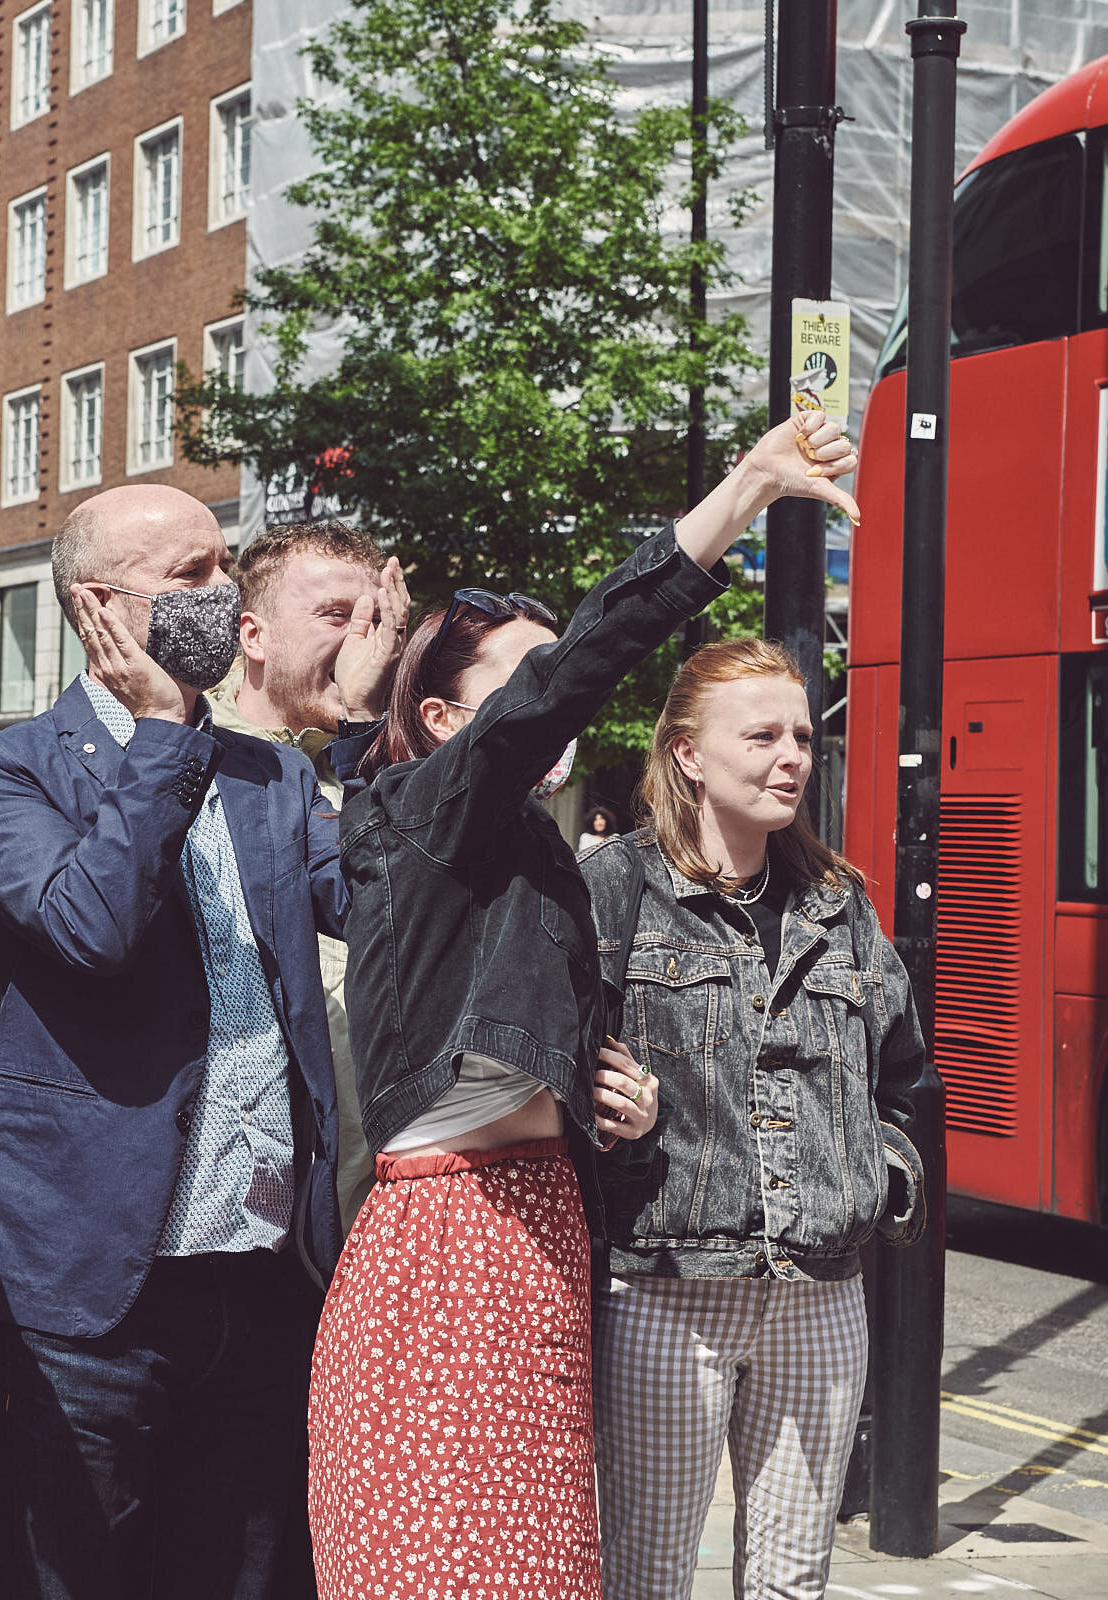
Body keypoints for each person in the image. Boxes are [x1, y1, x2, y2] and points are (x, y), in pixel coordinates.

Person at [308, 409, 860, 1600]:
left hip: (547, 1230)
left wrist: (619, 1100)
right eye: (519, 683)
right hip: (447, 1245)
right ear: (450, 721)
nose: (549, 707)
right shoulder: (415, 812)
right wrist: (743, 494)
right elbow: (580, 667)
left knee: (551, 1570)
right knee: (444, 1566)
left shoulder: (530, 852)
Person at [0, 484, 396, 1600]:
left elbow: (389, 902)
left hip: (258, 1281)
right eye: (189, 576)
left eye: (223, 565)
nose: (222, 593)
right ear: (99, 606)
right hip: (83, 1289)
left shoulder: (273, 773)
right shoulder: (6, 770)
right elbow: (90, 927)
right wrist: (163, 733)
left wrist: (370, 731)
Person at [579, 637, 927, 1600]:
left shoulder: (838, 901)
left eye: (804, 738)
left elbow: (903, 1080)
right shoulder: (617, 888)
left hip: (820, 1291)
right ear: (689, 753)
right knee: (647, 1578)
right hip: (666, 1290)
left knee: (791, 1583)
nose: (793, 758)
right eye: (764, 735)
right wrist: (611, 1119)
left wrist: (875, 1175)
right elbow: (551, 1072)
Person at [208, 517, 409, 1228]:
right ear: (253, 635)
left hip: (374, 1205)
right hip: (256, 1215)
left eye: (379, 619)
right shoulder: (193, 765)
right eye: (335, 615)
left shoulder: (387, 765)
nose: (365, 641)